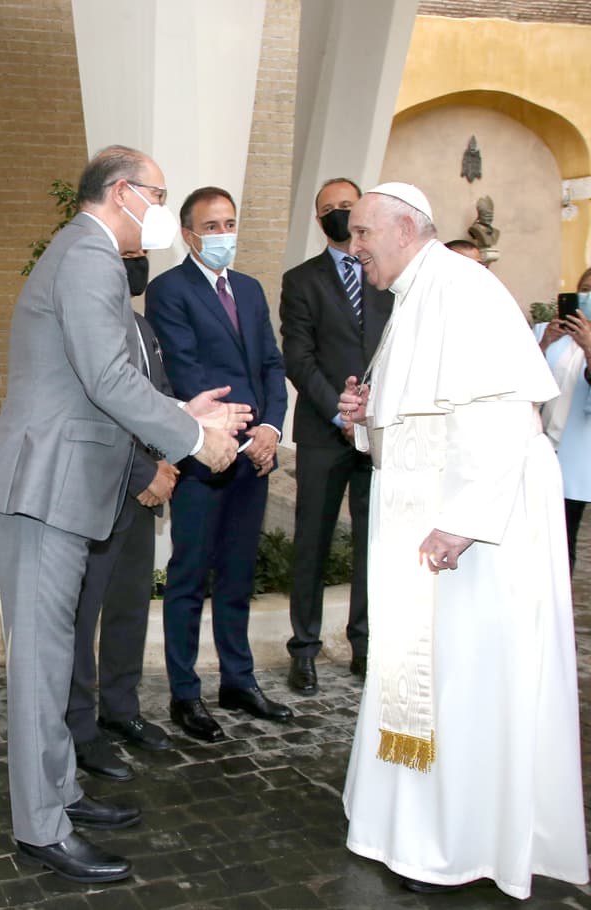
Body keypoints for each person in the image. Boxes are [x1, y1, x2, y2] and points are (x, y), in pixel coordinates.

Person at [0, 146, 249, 884]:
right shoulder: (90, 255)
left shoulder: (84, 254)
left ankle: (60, 794)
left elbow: (108, 380)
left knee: (56, 657)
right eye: (158, 195)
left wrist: (180, 413)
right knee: (40, 665)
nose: (162, 211)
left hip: (62, 485)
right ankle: (39, 828)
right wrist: (196, 439)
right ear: (125, 193)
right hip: (46, 490)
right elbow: (104, 378)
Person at [338, 182, 588, 899]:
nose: (355, 250)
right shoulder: (417, 293)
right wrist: (366, 416)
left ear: (407, 228)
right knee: (425, 675)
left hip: (477, 535)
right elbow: (419, 418)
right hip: (438, 523)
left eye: (362, 234)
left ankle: (457, 841)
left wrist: (463, 521)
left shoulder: (463, 289)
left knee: (466, 680)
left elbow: (505, 414)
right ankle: (410, 828)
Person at [145, 186, 292, 744]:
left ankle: (239, 679)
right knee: (189, 575)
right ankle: (186, 693)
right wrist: (232, 431)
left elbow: (272, 366)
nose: (223, 234)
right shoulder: (169, 291)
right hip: (206, 457)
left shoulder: (251, 290)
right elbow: (185, 373)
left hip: (254, 457)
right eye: (211, 226)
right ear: (188, 234)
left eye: (229, 223)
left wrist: (270, 431)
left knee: (237, 575)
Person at [279, 178, 392, 694]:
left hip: (382, 430)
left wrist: (372, 412)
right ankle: (304, 648)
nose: (340, 215)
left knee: (373, 542)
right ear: (318, 219)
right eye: (330, 210)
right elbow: (298, 358)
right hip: (327, 432)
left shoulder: (386, 276)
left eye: (348, 207)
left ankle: (364, 644)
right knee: (313, 542)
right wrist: (340, 412)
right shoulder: (302, 280)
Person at [68, 261, 177, 783]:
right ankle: (80, 728)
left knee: (130, 606)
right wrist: (143, 472)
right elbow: (98, 408)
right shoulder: (88, 325)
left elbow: (159, 401)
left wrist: (170, 459)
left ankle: (120, 708)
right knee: (81, 618)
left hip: (144, 492)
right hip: (100, 494)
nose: (136, 266)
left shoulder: (143, 326)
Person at [535, 265, 591, 569]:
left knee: (563, 536)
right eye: (584, 290)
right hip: (539, 442)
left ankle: (560, 608)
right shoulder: (545, 332)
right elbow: (522, 379)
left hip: (577, 453)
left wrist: (588, 345)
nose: (588, 296)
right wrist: (545, 343)